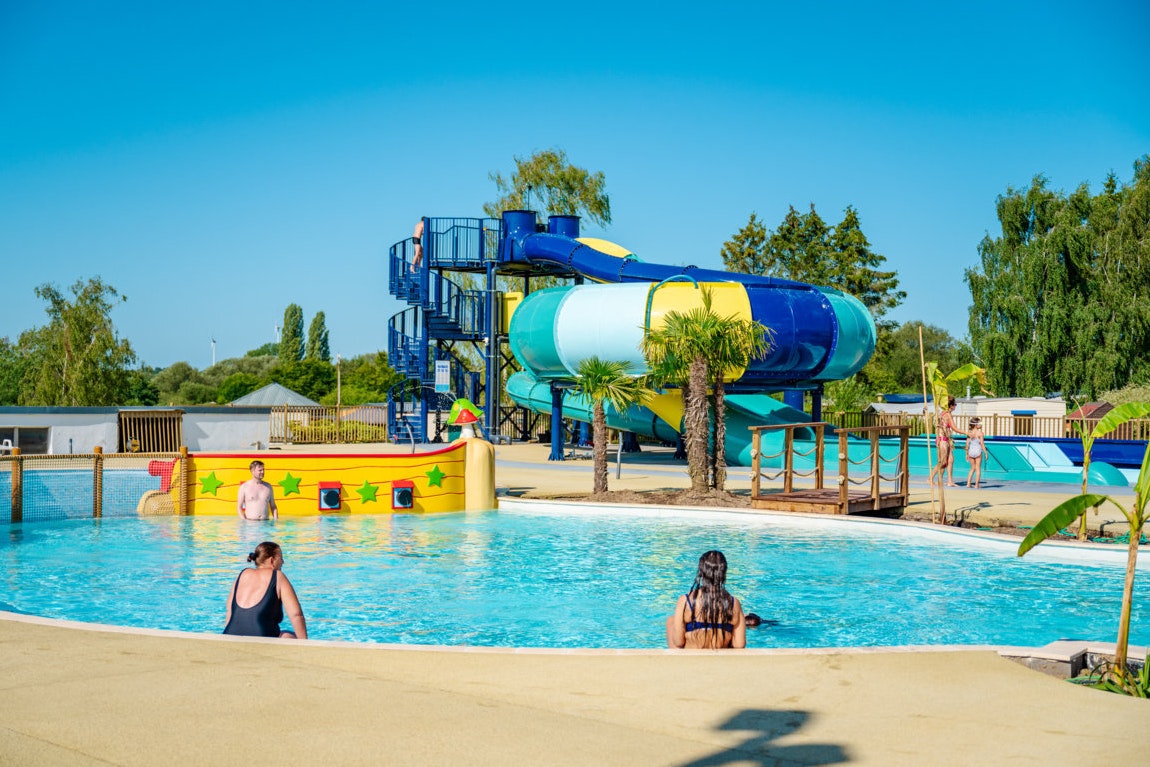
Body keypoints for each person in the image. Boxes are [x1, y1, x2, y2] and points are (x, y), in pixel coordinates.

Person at [223, 541, 307, 639]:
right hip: (261, 639)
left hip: (230, 636)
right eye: (281, 558)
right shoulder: (278, 576)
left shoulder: (242, 574)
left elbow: (229, 610)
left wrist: (228, 639)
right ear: (272, 560)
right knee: (287, 635)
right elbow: (296, 615)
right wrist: (304, 643)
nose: (282, 562)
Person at [666, 550, 746, 649]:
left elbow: (678, 642)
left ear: (701, 572)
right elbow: (739, 644)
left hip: (691, 656)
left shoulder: (686, 601)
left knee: (670, 621)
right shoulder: (733, 603)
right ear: (724, 574)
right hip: (720, 656)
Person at [929, 396, 960, 487]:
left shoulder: (942, 414)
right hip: (943, 440)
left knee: (950, 460)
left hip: (945, 440)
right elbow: (954, 428)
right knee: (942, 462)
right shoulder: (947, 415)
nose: (955, 406)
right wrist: (966, 433)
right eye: (955, 404)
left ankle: (949, 481)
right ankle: (930, 478)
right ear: (951, 405)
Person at [965, 417, 985, 489]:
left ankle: (968, 483)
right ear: (976, 425)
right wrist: (985, 452)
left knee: (972, 468)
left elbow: (967, 444)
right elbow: (982, 444)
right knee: (978, 468)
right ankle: (976, 484)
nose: (981, 424)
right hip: (978, 451)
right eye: (980, 423)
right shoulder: (980, 433)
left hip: (971, 451)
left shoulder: (969, 433)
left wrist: (967, 454)